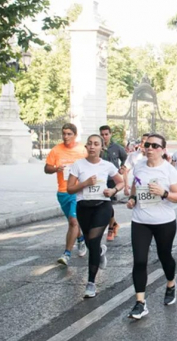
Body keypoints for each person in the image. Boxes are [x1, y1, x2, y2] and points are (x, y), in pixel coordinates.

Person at [126, 134, 177, 320]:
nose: (150, 148)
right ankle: (140, 302)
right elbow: (136, 185)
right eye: (147, 145)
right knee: (140, 260)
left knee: (164, 256)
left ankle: (171, 284)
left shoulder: (169, 170)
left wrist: (164, 192)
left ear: (163, 150)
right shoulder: (139, 166)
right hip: (141, 221)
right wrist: (133, 199)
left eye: (155, 145)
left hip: (164, 222)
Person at [67, 135, 125, 298]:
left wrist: (113, 191)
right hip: (83, 207)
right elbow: (70, 189)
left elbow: (120, 182)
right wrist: (84, 184)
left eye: (96, 144)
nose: (92, 147)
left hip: (102, 206)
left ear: (102, 147)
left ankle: (91, 283)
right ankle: (99, 251)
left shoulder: (107, 165)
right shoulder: (78, 165)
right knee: (90, 242)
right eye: (90, 144)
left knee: (93, 241)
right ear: (86, 146)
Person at [44, 123, 88, 266]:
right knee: (72, 222)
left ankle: (66, 254)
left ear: (75, 135)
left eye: (69, 134)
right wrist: (57, 168)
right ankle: (81, 240)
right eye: (64, 133)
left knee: (73, 221)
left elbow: (90, 165)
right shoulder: (56, 150)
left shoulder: (83, 150)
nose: (66, 136)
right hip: (63, 192)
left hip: (78, 191)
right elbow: (47, 168)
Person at [99, 125, 127, 241]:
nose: (104, 136)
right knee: (102, 204)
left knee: (108, 204)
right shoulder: (97, 147)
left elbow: (125, 158)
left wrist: (122, 167)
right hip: (100, 180)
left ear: (110, 134)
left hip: (112, 180)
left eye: (106, 134)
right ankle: (114, 223)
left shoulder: (116, 147)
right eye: (102, 134)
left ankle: (111, 227)